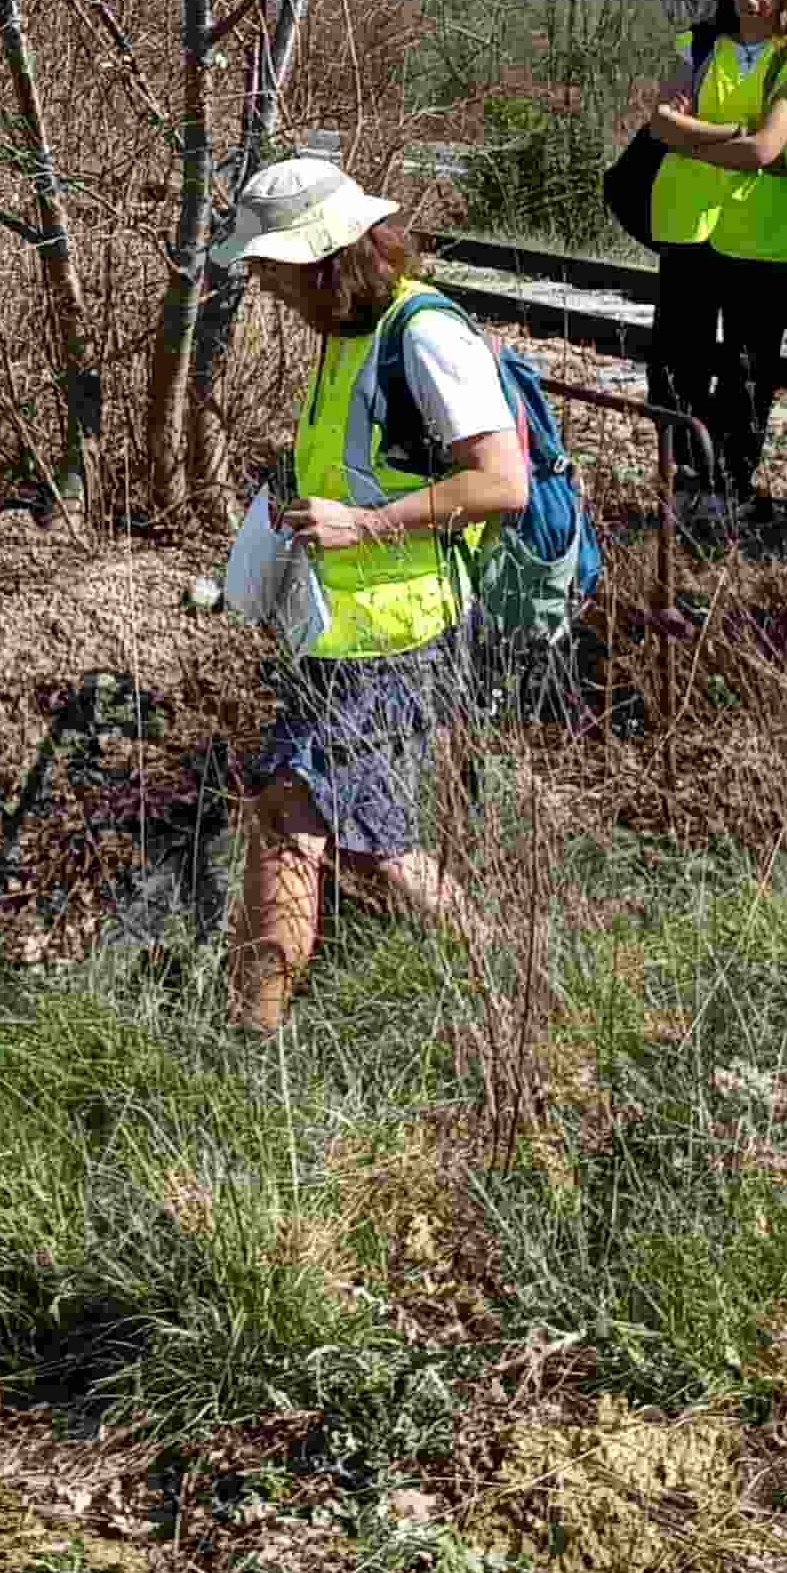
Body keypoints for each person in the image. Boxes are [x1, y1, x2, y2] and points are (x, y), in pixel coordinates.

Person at [215, 158, 528, 1036]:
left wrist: (366, 524)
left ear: (322, 260)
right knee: (378, 847)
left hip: (399, 636)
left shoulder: (424, 335)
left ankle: (250, 1039)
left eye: (272, 267)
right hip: (340, 635)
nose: (263, 285)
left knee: (287, 817)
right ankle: (510, 976)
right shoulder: (347, 329)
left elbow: (502, 482)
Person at [622, 0, 787, 515]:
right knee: (675, 359)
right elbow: (661, 124)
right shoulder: (698, 45)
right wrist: (730, 133)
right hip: (688, 223)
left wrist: (697, 134)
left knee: (748, 366)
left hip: (762, 233)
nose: (751, 1)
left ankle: (732, 482)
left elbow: (766, 149)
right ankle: (685, 475)